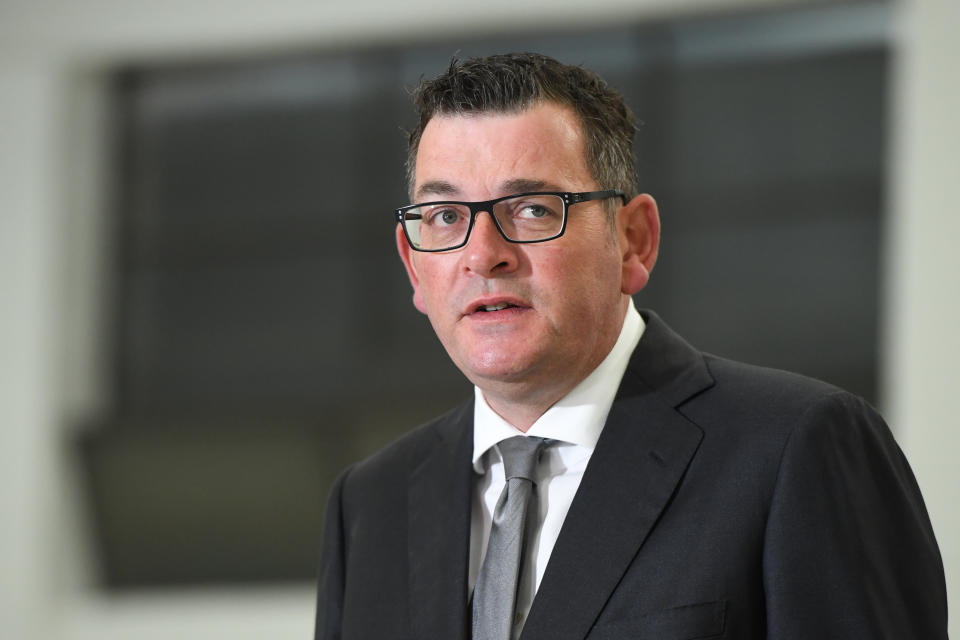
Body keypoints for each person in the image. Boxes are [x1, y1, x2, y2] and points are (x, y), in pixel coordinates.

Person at [314, 52, 947, 640]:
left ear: (634, 240)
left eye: (533, 208)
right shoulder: (369, 505)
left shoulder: (795, 447)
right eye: (446, 217)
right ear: (413, 266)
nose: (483, 255)